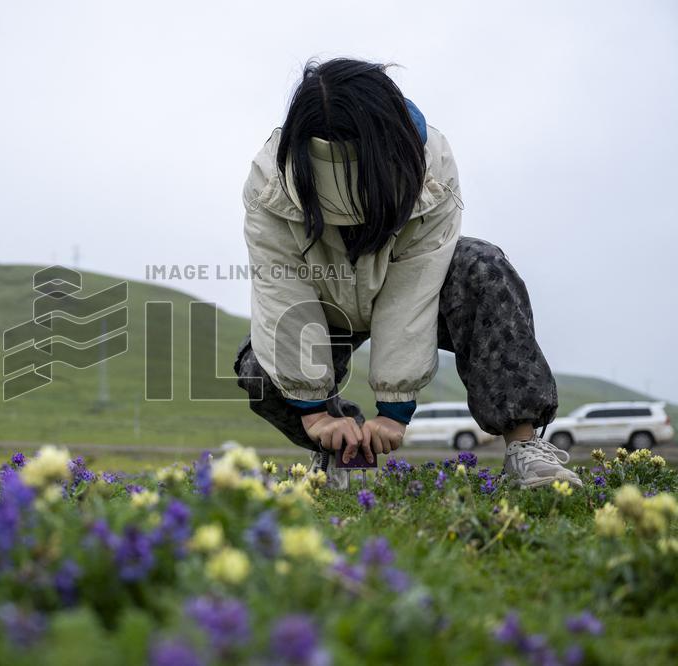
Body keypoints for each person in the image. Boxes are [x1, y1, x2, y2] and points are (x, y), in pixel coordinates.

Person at [233, 57, 580, 490]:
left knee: (481, 267)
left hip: (418, 292)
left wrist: (394, 407)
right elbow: (283, 291)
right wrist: (316, 410)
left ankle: (526, 448)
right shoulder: (270, 181)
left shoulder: (433, 165)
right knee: (258, 367)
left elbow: (414, 285)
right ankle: (342, 448)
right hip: (325, 302)